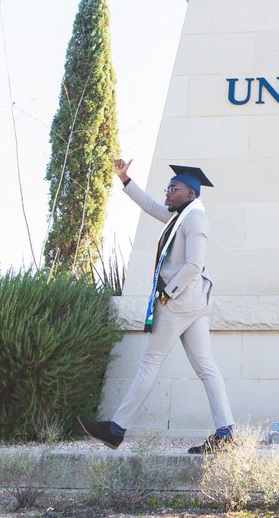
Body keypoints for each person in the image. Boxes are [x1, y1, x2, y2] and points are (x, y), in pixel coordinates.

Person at [78, 159, 236, 453]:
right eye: (168, 188)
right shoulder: (182, 215)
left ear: (190, 193)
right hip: (193, 304)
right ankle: (226, 433)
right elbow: (151, 206)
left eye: (173, 189)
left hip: (179, 303)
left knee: (150, 363)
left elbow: (194, 265)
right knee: (206, 367)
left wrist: (167, 292)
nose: (167, 193)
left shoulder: (195, 219)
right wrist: (125, 179)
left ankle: (116, 429)